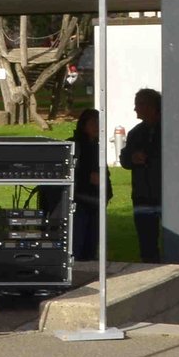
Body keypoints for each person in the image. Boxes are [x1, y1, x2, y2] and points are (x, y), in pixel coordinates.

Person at [119, 88, 162, 262]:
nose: (135, 109)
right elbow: (124, 159)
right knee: (146, 244)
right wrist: (132, 158)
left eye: (138, 104)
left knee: (175, 243)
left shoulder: (170, 131)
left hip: (166, 196)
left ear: (151, 106)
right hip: (142, 196)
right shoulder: (135, 133)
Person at [69, 109, 111, 263]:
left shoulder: (97, 147)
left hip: (96, 202)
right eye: (93, 123)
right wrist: (88, 178)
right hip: (79, 202)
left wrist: (107, 193)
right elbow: (69, 172)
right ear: (84, 125)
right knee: (77, 245)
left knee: (91, 246)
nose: (97, 126)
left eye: (99, 123)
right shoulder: (74, 145)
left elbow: (105, 174)